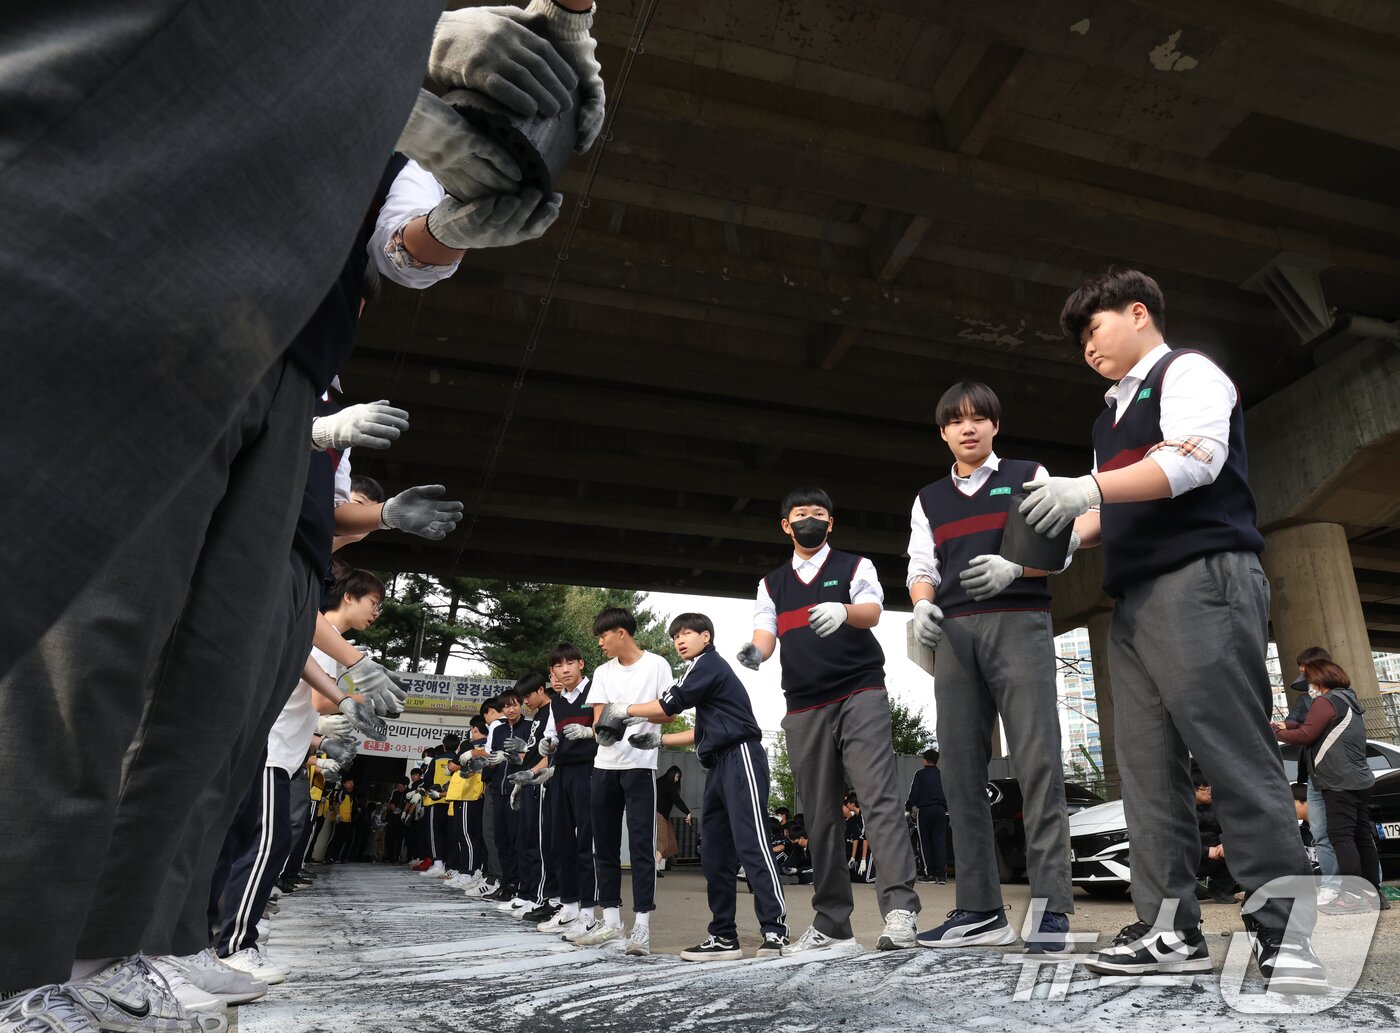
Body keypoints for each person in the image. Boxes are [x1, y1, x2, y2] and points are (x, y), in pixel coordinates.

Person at [1026, 269, 1325, 993]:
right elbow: (1108, 511)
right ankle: (1170, 926)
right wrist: (1049, 540)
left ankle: (1287, 941)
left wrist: (1090, 487)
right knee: (1148, 772)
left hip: (1203, 578)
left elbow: (1193, 460)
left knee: (1233, 754)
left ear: (1138, 312)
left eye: (1091, 327)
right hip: (1133, 601)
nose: (1085, 346)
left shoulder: (1188, 372)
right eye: (1079, 340)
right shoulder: (1107, 419)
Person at [905, 380, 1076, 951]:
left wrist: (1016, 567)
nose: (969, 427)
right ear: (944, 433)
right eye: (957, 421)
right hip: (952, 632)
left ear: (995, 425)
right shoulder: (928, 497)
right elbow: (921, 563)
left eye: (980, 418)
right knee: (958, 769)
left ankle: (1052, 911)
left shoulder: (1029, 474)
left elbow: (1064, 546)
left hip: (1019, 622)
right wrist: (923, 603)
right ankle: (979, 909)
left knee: (1037, 763)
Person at [738, 487, 920, 955]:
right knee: (819, 814)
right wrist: (755, 652)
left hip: (859, 690)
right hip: (803, 703)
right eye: (801, 515)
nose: (810, 521)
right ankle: (833, 924)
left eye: (819, 514)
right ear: (786, 525)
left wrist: (844, 611)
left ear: (831, 523)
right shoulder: (771, 583)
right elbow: (766, 630)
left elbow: (873, 611)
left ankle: (900, 911)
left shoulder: (854, 567)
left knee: (878, 798)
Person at [605, 612, 789, 960]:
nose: (680, 640)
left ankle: (775, 932)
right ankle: (723, 936)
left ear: (706, 637)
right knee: (715, 853)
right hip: (718, 764)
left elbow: (669, 704)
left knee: (751, 843)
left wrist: (623, 709)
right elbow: (700, 731)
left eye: (687, 633)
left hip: (741, 757)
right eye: (676, 636)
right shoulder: (701, 672)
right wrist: (660, 742)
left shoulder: (709, 665)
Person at [567, 608, 670, 955]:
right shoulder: (601, 672)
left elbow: (669, 711)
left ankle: (642, 928)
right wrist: (603, 730)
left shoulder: (656, 665)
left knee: (642, 847)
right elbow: (599, 720)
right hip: (604, 766)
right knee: (604, 847)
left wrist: (627, 710)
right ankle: (611, 922)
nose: (599, 643)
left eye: (603, 636)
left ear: (621, 632)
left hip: (641, 766)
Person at [1275, 659, 1380, 913]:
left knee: (1341, 837)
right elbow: (1312, 727)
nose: (1309, 686)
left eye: (1310, 680)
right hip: (1359, 780)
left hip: (1338, 781)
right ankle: (1372, 892)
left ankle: (1353, 895)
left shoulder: (1326, 700)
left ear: (1319, 679)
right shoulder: (1348, 699)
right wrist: (1288, 726)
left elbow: (1305, 735)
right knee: (1360, 834)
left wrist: (1275, 732)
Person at [539, 645, 599, 939]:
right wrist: (546, 744)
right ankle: (569, 907)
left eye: (570, 662)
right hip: (561, 772)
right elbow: (551, 736)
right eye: (558, 665)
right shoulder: (557, 702)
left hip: (590, 770)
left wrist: (589, 733)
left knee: (586, 841)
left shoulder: (597, 691)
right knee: (559, 839)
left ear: (581, 664)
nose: (564, 669)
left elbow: (608, 728)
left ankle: (589, 912)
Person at [1282, 646, 1342, 900]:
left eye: (1306, 672)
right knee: (1319, 832)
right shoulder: (1306, 700)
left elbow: (1306, 732)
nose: (1305, 679)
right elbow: (1294, 723)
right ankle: (1330, 884)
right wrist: (1282, 726)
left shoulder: (1339, 699)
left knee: (1346, 833)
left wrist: (1288, 731)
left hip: (1337, 775)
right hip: (1313, 773)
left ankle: (1363, 884)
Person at [907, 750, 947, 885]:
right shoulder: (942, 775)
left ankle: (929, 873)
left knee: (925, 842)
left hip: (925, 810)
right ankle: (942, 875)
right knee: (940, 841)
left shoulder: (920, 774)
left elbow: (914, 792)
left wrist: (908, 807)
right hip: (941, 810)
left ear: (925, 760)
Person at [655, 766, 692, 875]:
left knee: (671, 842)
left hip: (662, 816)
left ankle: (661, 863)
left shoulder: (659, 781)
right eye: (676, 776)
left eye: (678, 778)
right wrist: (687, 812)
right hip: (659, 815)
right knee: (663, 842)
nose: (677, 780)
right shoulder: (669, 784)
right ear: (671, 775)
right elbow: (676, 800)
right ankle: (654, 867)